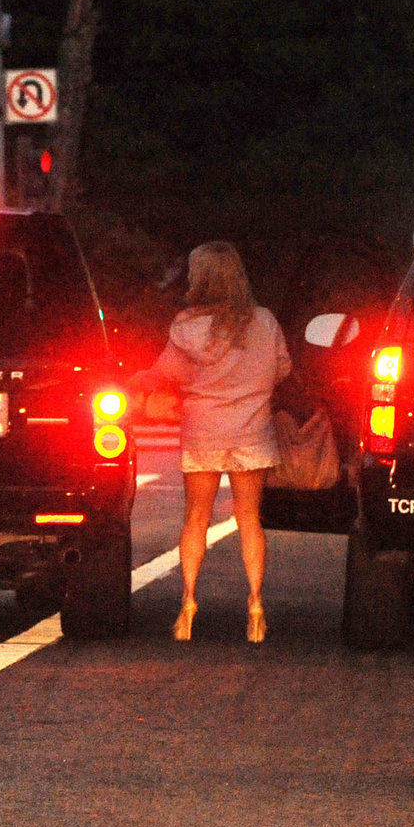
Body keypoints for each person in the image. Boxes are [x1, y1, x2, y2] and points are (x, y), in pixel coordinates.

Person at [129, 242, 291, 642]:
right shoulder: (264, 321)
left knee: (195, 518)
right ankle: (256, 605)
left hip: (203, 431)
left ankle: (188, 602)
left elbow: (167, 374)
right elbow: (282, 369)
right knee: (250, 519)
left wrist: (138, 380)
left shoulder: (186, 327)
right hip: (252, 430)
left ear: (200, 278)